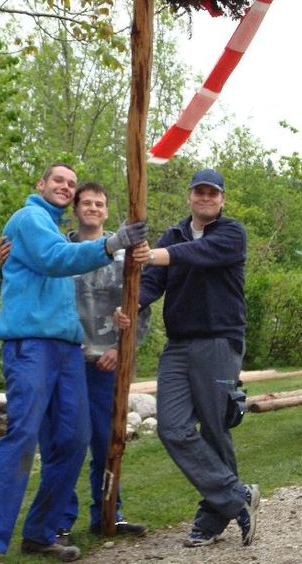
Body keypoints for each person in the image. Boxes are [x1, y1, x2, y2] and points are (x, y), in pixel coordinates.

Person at [0, 162, 147, 564]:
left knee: (73, 441)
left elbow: (33, 273)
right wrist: (113, 244)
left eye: (71, 183)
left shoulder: (52, 229)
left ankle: (41, 533)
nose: (65, 186)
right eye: (58, 180)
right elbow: (52, 259)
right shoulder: (30, 219)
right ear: (40, 184)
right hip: (32, 346)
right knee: (23, 437)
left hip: (67, 351)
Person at [116, 168, 260, 548]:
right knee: (172, 428)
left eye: (213, 193)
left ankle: (211, 520)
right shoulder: (173, 235)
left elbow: (201, 254)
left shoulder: (231, 234)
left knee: (214, 427)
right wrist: (131, 304)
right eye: (200, 192)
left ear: (222, 199)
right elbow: (151, 284)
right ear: (190, 196)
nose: (206, 198)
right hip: (178, 345)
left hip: (219, 342)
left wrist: (156, 255)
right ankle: (237, 496)